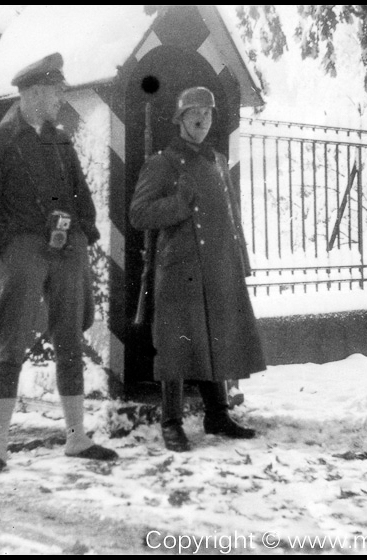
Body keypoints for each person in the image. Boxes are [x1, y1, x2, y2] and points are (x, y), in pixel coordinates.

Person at [0, 52, 118, 476]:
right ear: (34, 93)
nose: (59, 100)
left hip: (65, 246)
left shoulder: (59, 139)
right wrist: (3, 249)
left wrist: (83, 232)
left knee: (70, 339)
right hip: (22, 248)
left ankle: (77, 438)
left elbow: (80, 192)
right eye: (55, 93)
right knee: (11, 344)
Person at [129, 86, 266, 452]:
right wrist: (179, 204)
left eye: (207, 113)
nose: (202, 120)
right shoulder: (162, 162)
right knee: (176, 343)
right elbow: (138, 214)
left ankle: (217, 414)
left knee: (215, 336)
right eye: (194, 113)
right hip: (179, 268)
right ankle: (171, 422)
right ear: (180, 119)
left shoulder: (218, 161)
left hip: (219, 264)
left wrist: (241, 260)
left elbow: (232, 214)